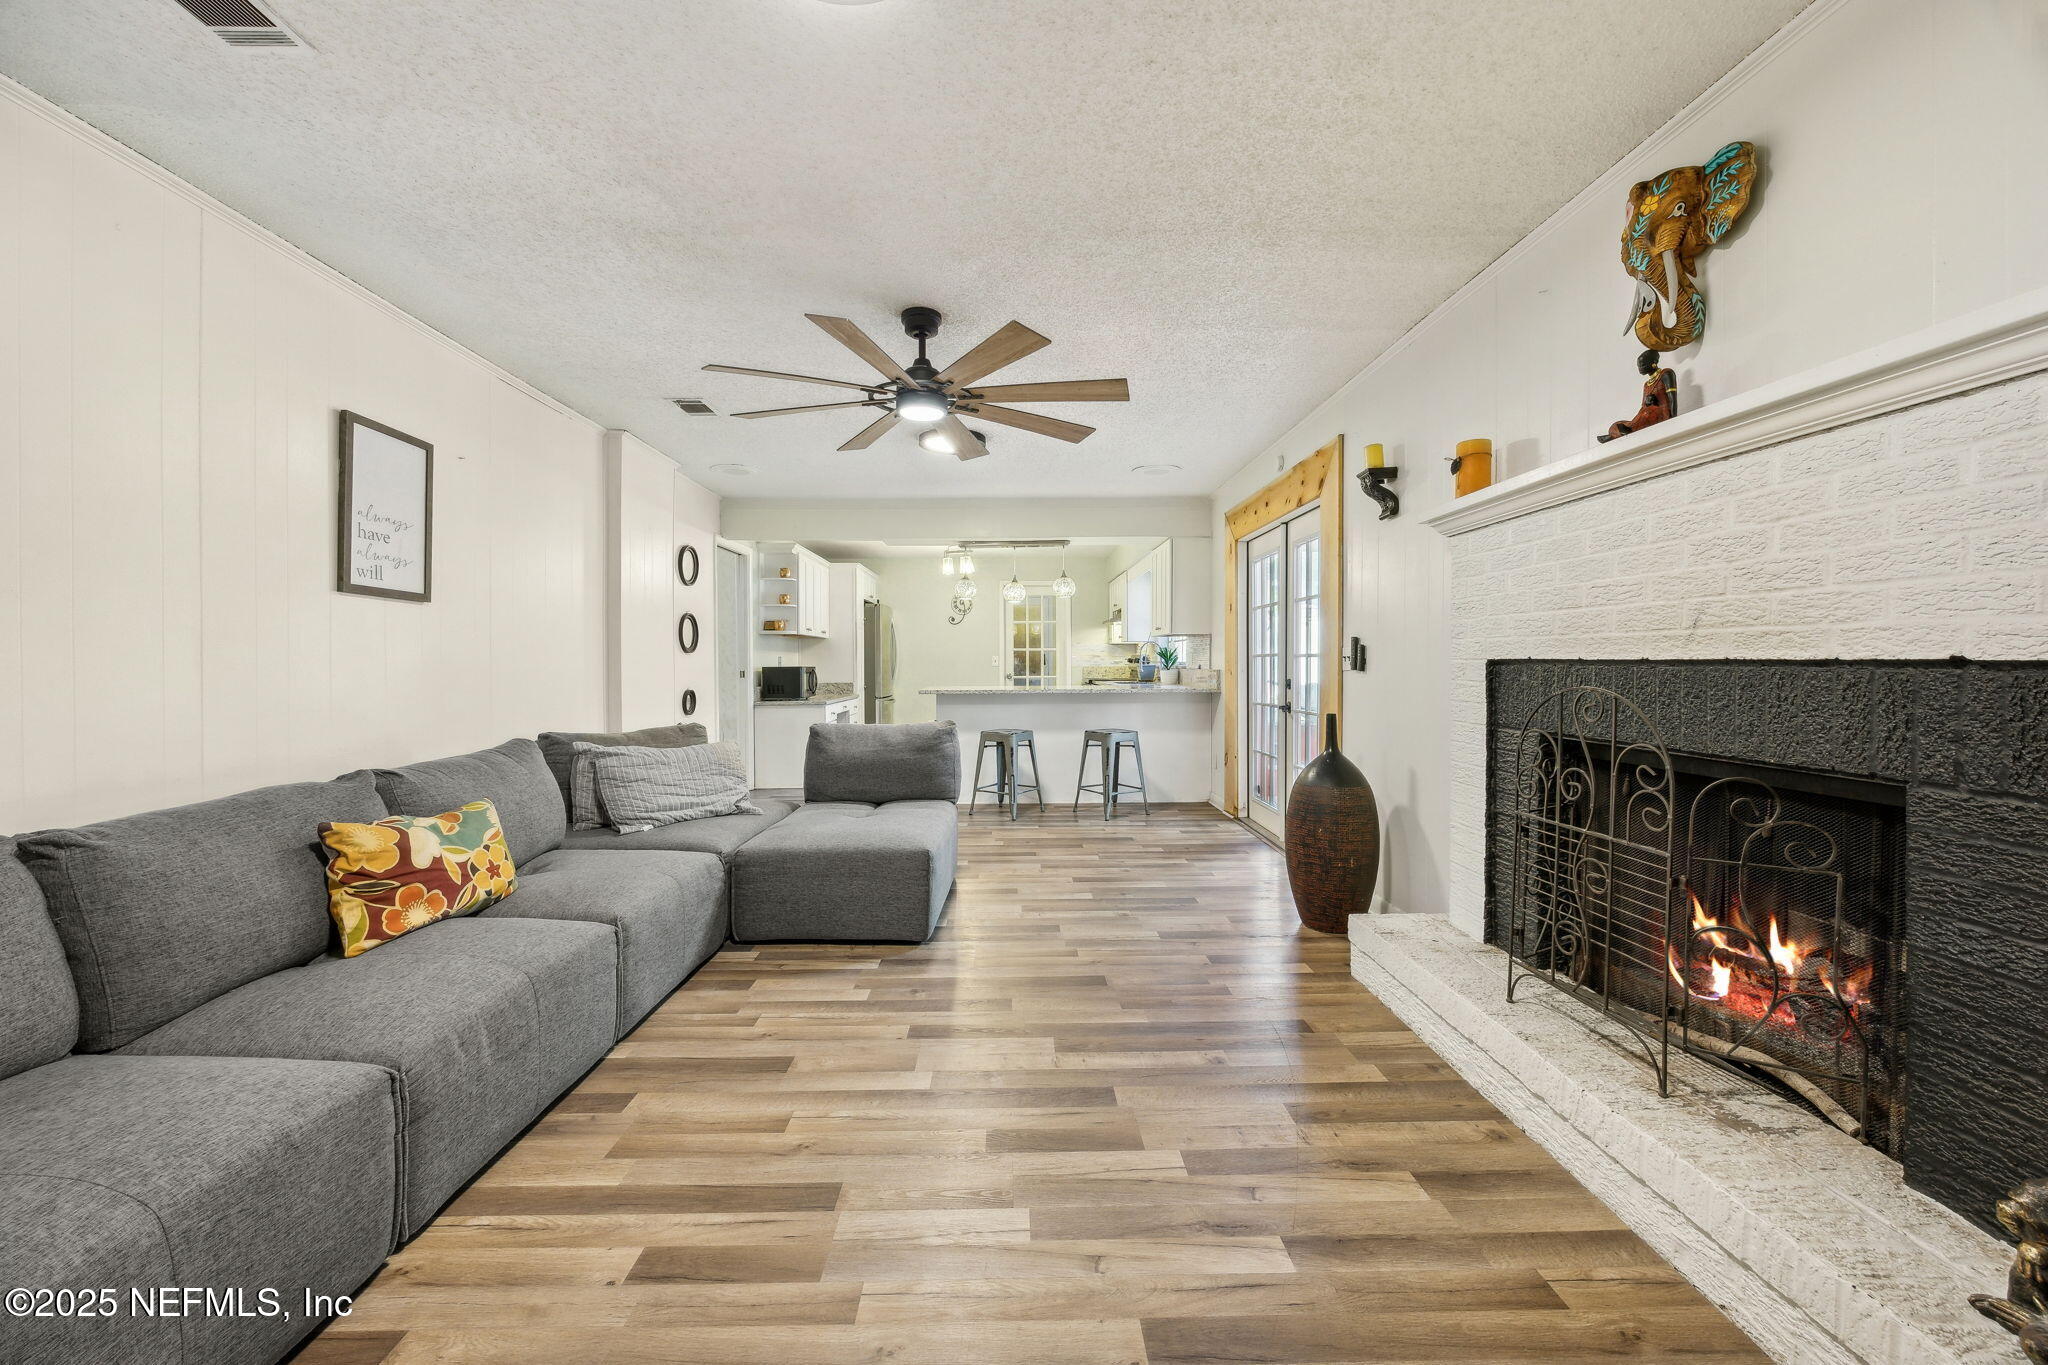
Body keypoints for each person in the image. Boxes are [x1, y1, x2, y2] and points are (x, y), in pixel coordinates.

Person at [1600, 349, 1679, 443]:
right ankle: (1621, 432)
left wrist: (1674, 421)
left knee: (1646, 413)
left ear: (1654, 362)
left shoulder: (1666, 374)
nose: (1640, 368)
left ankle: (1620, 433)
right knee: (1617, 424)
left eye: (1642, 365)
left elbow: (1673, 398)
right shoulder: (1646, 384)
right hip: (1647, 413)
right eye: (1638, 366)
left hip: (1661, 414)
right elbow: (1643, 406)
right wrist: (1647, 402)